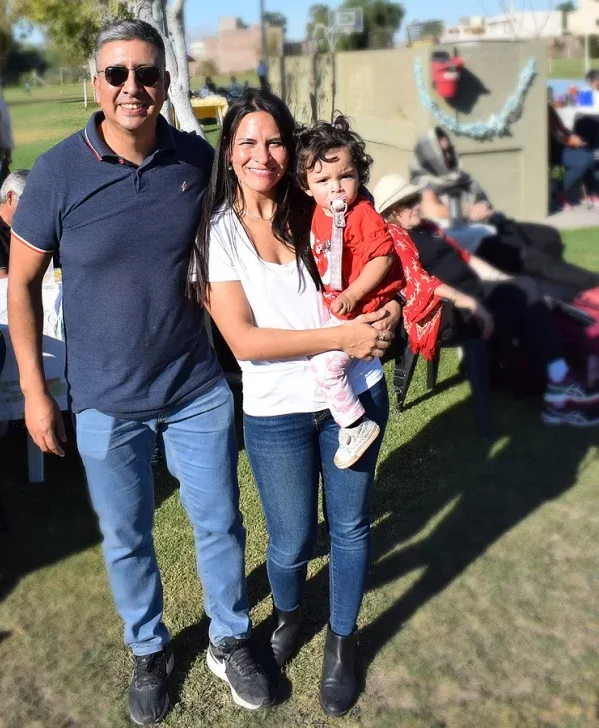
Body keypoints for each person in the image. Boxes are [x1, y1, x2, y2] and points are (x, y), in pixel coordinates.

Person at [7, 19, 274, 726]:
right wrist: (35, 391)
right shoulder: (56, 173)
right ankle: (149, 649)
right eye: (117, 74)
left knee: (219, 523)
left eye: (147, 74)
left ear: (165, 81)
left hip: (194, 388)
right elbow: (20, 284)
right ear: (96, 83)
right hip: (103, 398)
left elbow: (254, 219)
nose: (133, 87)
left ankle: (229, 639)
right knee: (126, 536)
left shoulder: (195, 160)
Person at [190, 89, 400, 716]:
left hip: (355, 393)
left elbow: (381, 262)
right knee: (290, 541)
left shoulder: (317, 204)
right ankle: (288, 615)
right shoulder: (217, 234)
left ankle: (342, 641)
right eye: (248, 142)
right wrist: (341, 337)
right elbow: (244, 341)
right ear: (228, 152)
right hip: (277, 410)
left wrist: (389, 310)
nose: (262, 154)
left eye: (275, 141)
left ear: (292, 149)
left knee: (351, 525)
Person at [374, 173, 599, 427]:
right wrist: (470, 302)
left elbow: (465, 257)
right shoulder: (395, 237)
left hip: (473, 291)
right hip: (446, 310)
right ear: (392, 212)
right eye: (408, 202)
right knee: (525, 297)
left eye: (416, 199)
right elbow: (421, 282)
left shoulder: (428, 227)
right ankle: (557, 385)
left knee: (526, 289)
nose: (416, 205)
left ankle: (553, 381)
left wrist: (501, 278)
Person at [295, 117, 404, 468]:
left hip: (364, 310)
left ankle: (355, 425)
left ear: (359, 175)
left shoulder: (362, 214)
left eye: (346, 176)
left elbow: (383, 257)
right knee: (320, 360)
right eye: (323, 180)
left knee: (325, 368)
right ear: (306, 186)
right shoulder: (319, 213)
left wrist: (354, 295)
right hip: (344, 309)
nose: (337, 188)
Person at [412, 125, 599, 295]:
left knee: (549, 236)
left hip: (491, 224)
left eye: (449, 150)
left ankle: (556, 285)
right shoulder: (423, 181)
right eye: (442, 152)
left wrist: (483, 209)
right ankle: (590, 282)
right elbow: (433, 209)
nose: (448, 156)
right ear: (429, 155)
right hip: (471, 240)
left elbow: (481, 200)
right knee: (532, 257)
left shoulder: (457, 175)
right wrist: (468, 211)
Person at [548, 104, 599, 208]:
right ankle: (559, 192)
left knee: (589, 155)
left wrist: (571, 137)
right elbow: (555, 132)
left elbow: (560, 129)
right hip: (553, 148)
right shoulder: (543, 110)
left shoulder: (549, 108)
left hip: (562, 143)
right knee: (585, 159)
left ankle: (591, 192)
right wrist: (568, 140)